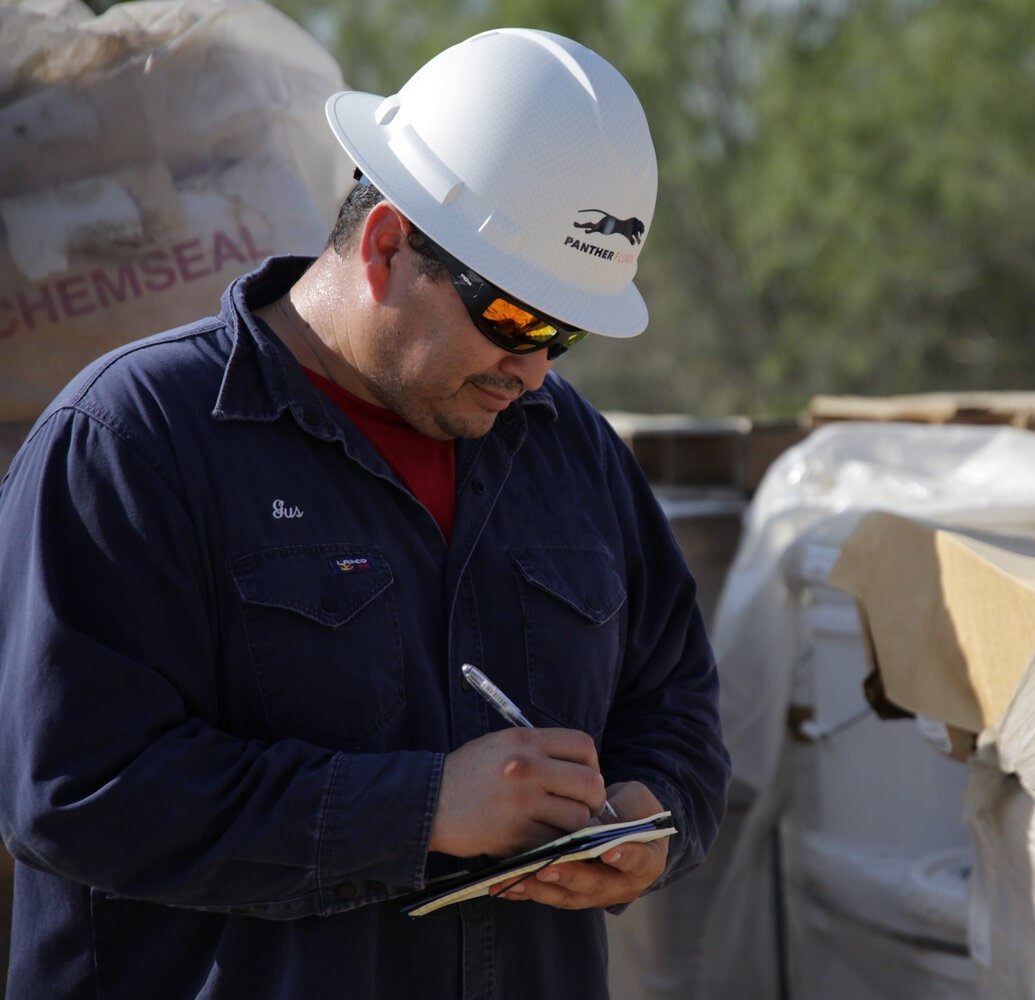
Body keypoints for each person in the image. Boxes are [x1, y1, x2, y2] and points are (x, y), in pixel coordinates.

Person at [0, 28, 730, 999]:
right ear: (388, 245)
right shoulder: (134, 441)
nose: (535, 368)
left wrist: (652, 819)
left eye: (567, 332)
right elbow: (74, 791)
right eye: (515, 318)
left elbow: (676, 707)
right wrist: (419, 811)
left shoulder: (570, 449)